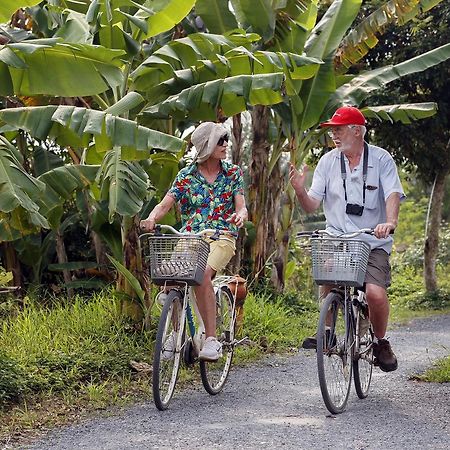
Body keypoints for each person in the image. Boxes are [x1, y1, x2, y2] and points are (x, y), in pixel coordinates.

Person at [289, 105, 405, 372]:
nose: (334, 136)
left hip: (371, 241)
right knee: (326, 269)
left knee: (375, 293)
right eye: (332, 131)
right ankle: (327, 331)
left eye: (339, 130)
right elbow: (311, 205)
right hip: (337, 239)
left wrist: (390, 222)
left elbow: (392, 194)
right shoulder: (328, 162)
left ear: (357, 131)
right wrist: (299, 189)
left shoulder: (381, 159)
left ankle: (380, 341)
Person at [140, 122, 248, 362]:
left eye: (226, 140)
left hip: (222, 236)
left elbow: (241, 207)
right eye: (220, 141)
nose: (225, 145)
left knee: (203, 274)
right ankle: (175, 332)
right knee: (170, 278)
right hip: (190, 237)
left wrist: (239, 216)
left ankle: (211, 339)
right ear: (206, 146)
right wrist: (151, 218)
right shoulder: (186, 175)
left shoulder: (233, 173)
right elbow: (165, 204)